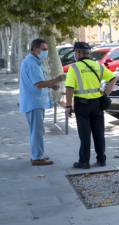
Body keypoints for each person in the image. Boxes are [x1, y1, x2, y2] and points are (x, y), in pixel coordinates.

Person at [65, 42, 116, 169]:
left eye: (75, 52)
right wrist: (105, 94)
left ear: (78, 53)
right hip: (97, 104)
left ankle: (84, 162)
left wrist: (68, 106)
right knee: (99, 133)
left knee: (85, 135)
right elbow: (113, 78)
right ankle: (101, 160)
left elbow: (69, 88)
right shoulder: (98, 66)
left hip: (82, 105)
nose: (75, 55)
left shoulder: (74, 68)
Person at [19, 38, 65, 166]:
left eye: (47, 49)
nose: (46, 52)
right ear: (34, 49)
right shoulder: (32, 63)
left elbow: (38, 82)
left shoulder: (33, 62)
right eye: (43, 49)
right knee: (37, 131)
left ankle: (37, 154)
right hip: (34, 103)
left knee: (37, 131)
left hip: (34, 102)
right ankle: (37, 158)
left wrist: (51, 85)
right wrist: (57, 80)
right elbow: (39, 84)